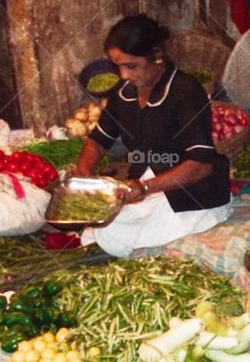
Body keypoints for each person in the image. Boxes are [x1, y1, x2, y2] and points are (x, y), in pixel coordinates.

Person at [74, 15, 232, 256]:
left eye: (131, 65)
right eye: (118, 66)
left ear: (156, 56)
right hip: (146, 185)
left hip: (191, 192)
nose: (124, 75)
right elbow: (98, 140)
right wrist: (83, 175)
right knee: (100, 227)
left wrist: (146, 188)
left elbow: (201, 165)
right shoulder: (124, 93)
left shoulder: (185, 92)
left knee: (125, 232)